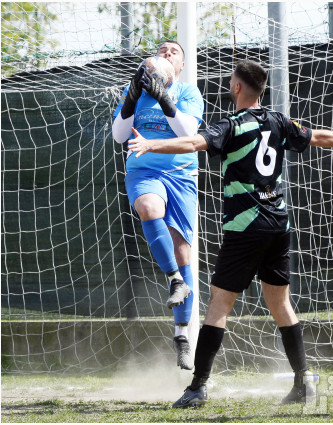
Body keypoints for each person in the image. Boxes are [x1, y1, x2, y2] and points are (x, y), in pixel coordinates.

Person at [127, 59, 333, 408]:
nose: (227, 83)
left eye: (230, 80)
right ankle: (302, 382)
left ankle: (197, 387)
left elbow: (193, 143)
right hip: (278, 225)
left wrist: (151, 145)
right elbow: (319, 137)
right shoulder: (279, 121)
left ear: (238, 88)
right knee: (280, 304)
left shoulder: (231, 125)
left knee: (219, 305)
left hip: (245, 227)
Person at [112, 40, 204, 371]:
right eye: (161, 50)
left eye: (174, 52)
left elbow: (189, 133)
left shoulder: (189, 92)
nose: (166, 54)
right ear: (151, 61)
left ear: (180, 65)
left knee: (183, 252)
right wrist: (133, 98)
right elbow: (119, 135)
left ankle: (181, 336)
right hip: (144, 170)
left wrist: (166, 99)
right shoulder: (133, 90)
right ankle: (174, 279)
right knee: (149, 208)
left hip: (181, 176)